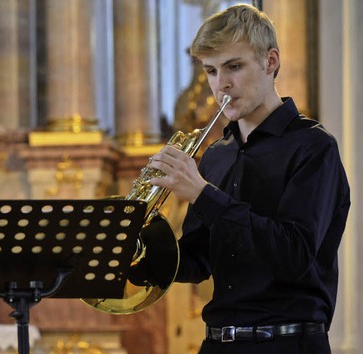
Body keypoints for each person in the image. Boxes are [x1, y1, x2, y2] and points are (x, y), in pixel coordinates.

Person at [134, 4, 350, 354]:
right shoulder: (217, 155)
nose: (221, 85)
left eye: (234, 67)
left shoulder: (314, 148)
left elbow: (293, 255)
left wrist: (203, 194)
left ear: (270, 62)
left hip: (286, 342)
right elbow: (197, 260)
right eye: (211, 71)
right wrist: (132, 251)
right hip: (217, 343)